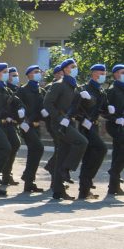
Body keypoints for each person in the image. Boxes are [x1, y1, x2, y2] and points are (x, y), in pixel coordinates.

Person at [43, 58, 88, 200]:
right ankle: (66, 169)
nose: (75, 68)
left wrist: (88, 98)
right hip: (60, 124)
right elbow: (47, 103)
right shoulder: (59, 85)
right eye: (72, 66)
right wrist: (58, 117)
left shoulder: (75, 86)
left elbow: (81, 106)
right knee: (82, 142)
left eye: (75, 66)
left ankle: (58, 191)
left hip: (69, 122)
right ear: (65, 70)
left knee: (62, 154)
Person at [0, 63, 25, 195]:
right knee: (4, 147)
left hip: (6, 124)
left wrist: (19, 111)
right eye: (4, 71)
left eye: (7, 72)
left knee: (15, 143)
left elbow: (14, 105)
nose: (7, 74)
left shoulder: (7, 90)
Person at [71, 64, 109, 199]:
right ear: (93, 74)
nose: (103, 75)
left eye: (104, 73)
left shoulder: (101, 91)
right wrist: (82, 120)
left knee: (89, 157)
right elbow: (75, 109)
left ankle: (84, 190)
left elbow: (103, 110)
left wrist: (110, 112)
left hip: (94, 126)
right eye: (101, 73)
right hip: (85, 127)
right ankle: (86, 184)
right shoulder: (84, 89)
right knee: (101, 149)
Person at [16, 65, 46, 192]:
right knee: (38, 148)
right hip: (26, 125)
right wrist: (21, 121)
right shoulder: (23, 90)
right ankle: (28, 177)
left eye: (39, 72)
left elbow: (42, 107)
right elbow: (16, 106)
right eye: (35, 72)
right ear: (28, 75)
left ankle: (29, 182)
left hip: (36, 125)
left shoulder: (41, 91)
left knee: (35, 151)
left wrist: (44, 113)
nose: (38, 73)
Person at [43, 64, 64, 185]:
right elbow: (46, 103)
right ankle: (54, 175)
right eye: (60, 73)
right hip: (53, 122)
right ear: (56, 74)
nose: (62, 75)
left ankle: (53, 170)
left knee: (60, 148)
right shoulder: (50, 86)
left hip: (61, 121)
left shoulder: (64, 86)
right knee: (60, 148)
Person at [106, 64, 124, 195]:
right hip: (115, 125)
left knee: (117, 153)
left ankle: (114, 186)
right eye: (122, 72)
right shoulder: (112, 90)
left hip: (122, 125)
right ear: (116, 74)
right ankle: (114, 172)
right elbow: (104, 110)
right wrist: (115, 119)